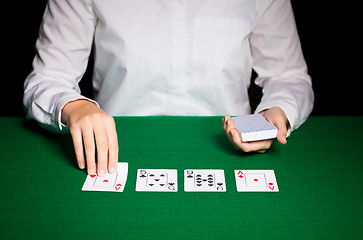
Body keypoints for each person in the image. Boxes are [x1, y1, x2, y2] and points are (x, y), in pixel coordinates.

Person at [24, 0, 314, 177]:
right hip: (112, 154)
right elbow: (47, 78)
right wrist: (76, 107)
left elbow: (288, 76)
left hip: (235, 154)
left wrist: (274, 114)